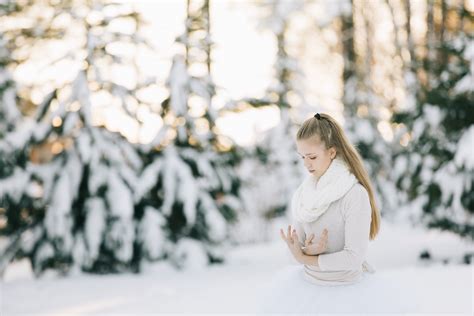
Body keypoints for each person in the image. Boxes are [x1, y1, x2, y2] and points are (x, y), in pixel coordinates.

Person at [280, 112, 380, 286]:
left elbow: (353, 258)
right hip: (308, 289)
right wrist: (306, 251)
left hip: (347, 292)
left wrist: (308, 257)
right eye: (303, 157)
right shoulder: (305, 194)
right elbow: (293, 256)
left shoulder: (354, 194)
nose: (306, 164)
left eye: (312, 157)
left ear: (332, 152)